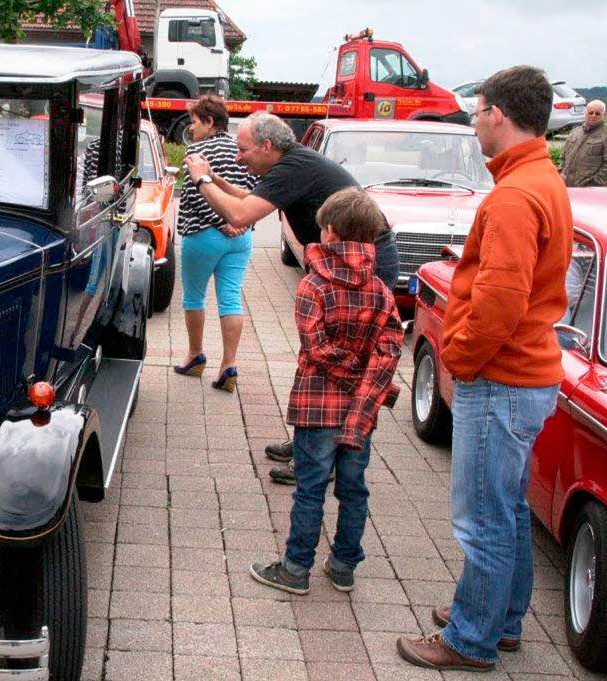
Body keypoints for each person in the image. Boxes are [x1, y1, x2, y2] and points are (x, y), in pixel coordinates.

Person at [396, 66, 572, 672]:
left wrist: (458, 358)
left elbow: (500, 300)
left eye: (476, 113)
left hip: (501, 377)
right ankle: (502, 620)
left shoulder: (516, 196)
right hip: (524, 374)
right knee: (510, 507)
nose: (473, 125)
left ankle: (470, 639)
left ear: (498, 113)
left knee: (483, 518)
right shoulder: (541, 178)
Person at [183, 113, 400, 468]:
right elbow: (251, 199)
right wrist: (217, 180)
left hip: (365, 263)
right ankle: (310, 444)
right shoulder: (290, 164)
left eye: (243, 150)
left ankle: (322, 460)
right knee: (319, 357)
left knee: (336, 361)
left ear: (267, 146)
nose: (239, 158)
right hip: (344, 264)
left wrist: (202, 178)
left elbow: (240, 216)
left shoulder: (293, 167)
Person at [248, 187, 403, 596]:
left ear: (330, 233)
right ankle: (344, 565)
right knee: (354, 488)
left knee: (310, 489)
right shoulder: (382, 292)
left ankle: (296, 567)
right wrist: (367, 383)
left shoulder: (313, 287)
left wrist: (348, 373)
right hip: (360, 414)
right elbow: (390, 349)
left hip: (317, 408)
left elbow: (315, 347)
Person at [173, 95, 255, 391]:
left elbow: (194, 194)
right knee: (231, 297)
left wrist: (221, 222)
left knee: (194, 297)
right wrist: (240, 222)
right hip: (241, 237)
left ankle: (195, 357)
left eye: (194, 122)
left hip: (203, 235)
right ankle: (228, 365)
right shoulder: (243, 150)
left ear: (209, 121)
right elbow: (255, 192)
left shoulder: (196, 152)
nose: (192, 129)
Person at [559, 99, 606, 187]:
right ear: (585, 113)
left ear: (603, 115)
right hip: (566, 185)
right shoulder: (575, 132)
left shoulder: (605, 134)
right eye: (590, 112)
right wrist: (561, 172)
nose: (593, 115)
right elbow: (563, 157)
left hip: (590, 190)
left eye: (597, 113)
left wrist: (594, 183)